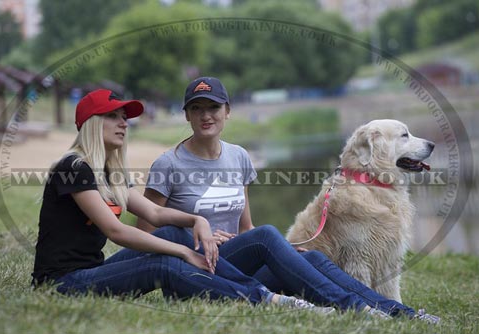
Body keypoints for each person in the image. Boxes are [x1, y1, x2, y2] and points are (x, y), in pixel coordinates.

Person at [138, 77, 440, 324]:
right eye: (197, 108)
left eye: (213, 107)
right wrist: (194, 239)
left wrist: (283, 254)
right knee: (270, 235)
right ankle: (360, 309)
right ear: (186, 114)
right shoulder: (169, 164)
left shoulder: (238, 157)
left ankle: (399, 313)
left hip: (236, 264)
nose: (206, 115)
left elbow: (246, 229)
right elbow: (146, 237)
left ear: (227, 111)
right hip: (195, 271)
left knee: (312, 257)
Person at [31, 88, 339, 313]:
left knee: (175, 233)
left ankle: (263, 289)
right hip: (62, 282)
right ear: (92, 123)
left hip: (93, 270)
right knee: (167, 263)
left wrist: (195, 221)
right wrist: (183, 251)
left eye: (124, 117)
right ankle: (265, 297)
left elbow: (153, 211)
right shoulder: (73, 168)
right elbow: (117, 232)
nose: (124, 123)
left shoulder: (110, 173)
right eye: (113, 117)